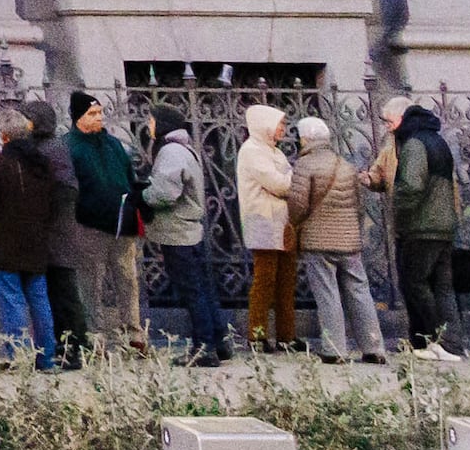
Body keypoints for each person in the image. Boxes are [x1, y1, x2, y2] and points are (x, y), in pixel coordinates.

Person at [0, 113, 73, 360]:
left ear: (3, 136)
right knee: (40, 300)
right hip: (37, 240)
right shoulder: (43, 164)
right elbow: (53, 201)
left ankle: (19, 355)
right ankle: (46, 356)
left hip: (5, 241)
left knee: (12, 300)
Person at [284, 116, 381, 362]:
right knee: (360, 291)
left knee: (328, 294)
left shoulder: (305, 166)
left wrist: (295, 224)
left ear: (305, 138)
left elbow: (297, 205)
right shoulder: (345, 165)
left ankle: (334, 349)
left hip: (318, 241)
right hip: (349, 241)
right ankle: (373, 347)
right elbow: (359, 206)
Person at [142, 113, 225, 364]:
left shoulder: (170, 152)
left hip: (178, 233)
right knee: (203, 288)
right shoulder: (184, 149)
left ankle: (204, 348)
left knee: (192, 291)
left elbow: (165, 193)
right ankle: (219, 341)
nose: (149, 125)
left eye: (152, 120)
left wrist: (142, 194)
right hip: (190, 231)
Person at [386, 101, 467, 354]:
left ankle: (433, 341)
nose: (388, 128)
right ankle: (452, 343)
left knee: (416, 284)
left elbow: (411, 186)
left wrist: (397, 207)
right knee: (443, 287)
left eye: (389, 122)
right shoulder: (437, 141)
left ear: (401, 119)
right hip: (443, 226)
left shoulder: (414, 144)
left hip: (421, 227)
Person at [67, 92, 144, 353]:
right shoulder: (71, 146)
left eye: (100, 112)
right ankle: (94, 334)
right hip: (89, 225)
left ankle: (132, 334)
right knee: (91, 282)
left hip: (122, 223)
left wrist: (134, 203)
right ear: (78, 117)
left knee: (127, 279)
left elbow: (128, 175)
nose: (99, 117)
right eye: (92, 113)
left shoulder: (112, 144)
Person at [234, 105, 298, 353]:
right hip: (263, 221)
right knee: (265, 280)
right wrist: (297, 178)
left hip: (282, 222)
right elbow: (280, 184)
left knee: (286, 280)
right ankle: (257, 335)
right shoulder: (252, 151)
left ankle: (286, 335)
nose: (283, 128)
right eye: (279, 123)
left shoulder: (275, 153)